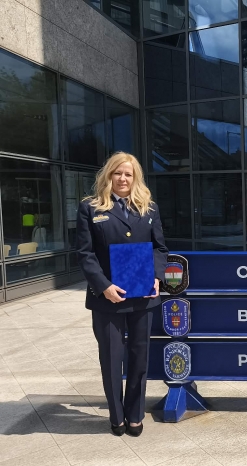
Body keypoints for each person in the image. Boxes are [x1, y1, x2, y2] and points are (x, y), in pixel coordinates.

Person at [76, 152, 168, 437]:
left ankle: (135, 415)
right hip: (107, 299)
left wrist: (156, 276)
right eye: (118, 173)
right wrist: (104, 286)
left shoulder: (149, 208)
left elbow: (160, 248)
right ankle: (116, 416)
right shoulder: (90, 208)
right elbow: (85, 253)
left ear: (135, 177)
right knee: (111, 359)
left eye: (128, 174)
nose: (123, 178)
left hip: (142, 296)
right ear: (109, 175)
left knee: (140, 358)